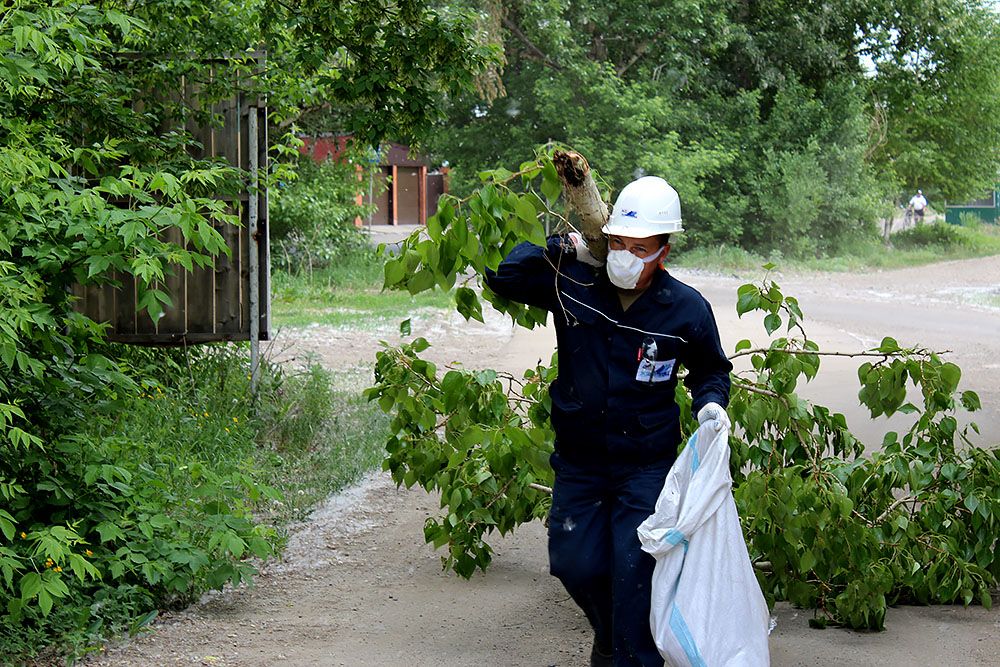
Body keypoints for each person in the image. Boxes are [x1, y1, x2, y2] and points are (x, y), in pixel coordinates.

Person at [484, 176, 733, 666]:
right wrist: (569, 246)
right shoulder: (574, 283)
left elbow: (711, 369)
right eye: (618, 242)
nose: (626, 255)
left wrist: (711, 405)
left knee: (633, 573)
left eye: (639, 248)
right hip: (580, 462)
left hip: (646, 467)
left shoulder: (684, 309)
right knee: (576, 565)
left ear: (663, 251)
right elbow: (504, 275)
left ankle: (628, 655)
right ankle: (612, 636)